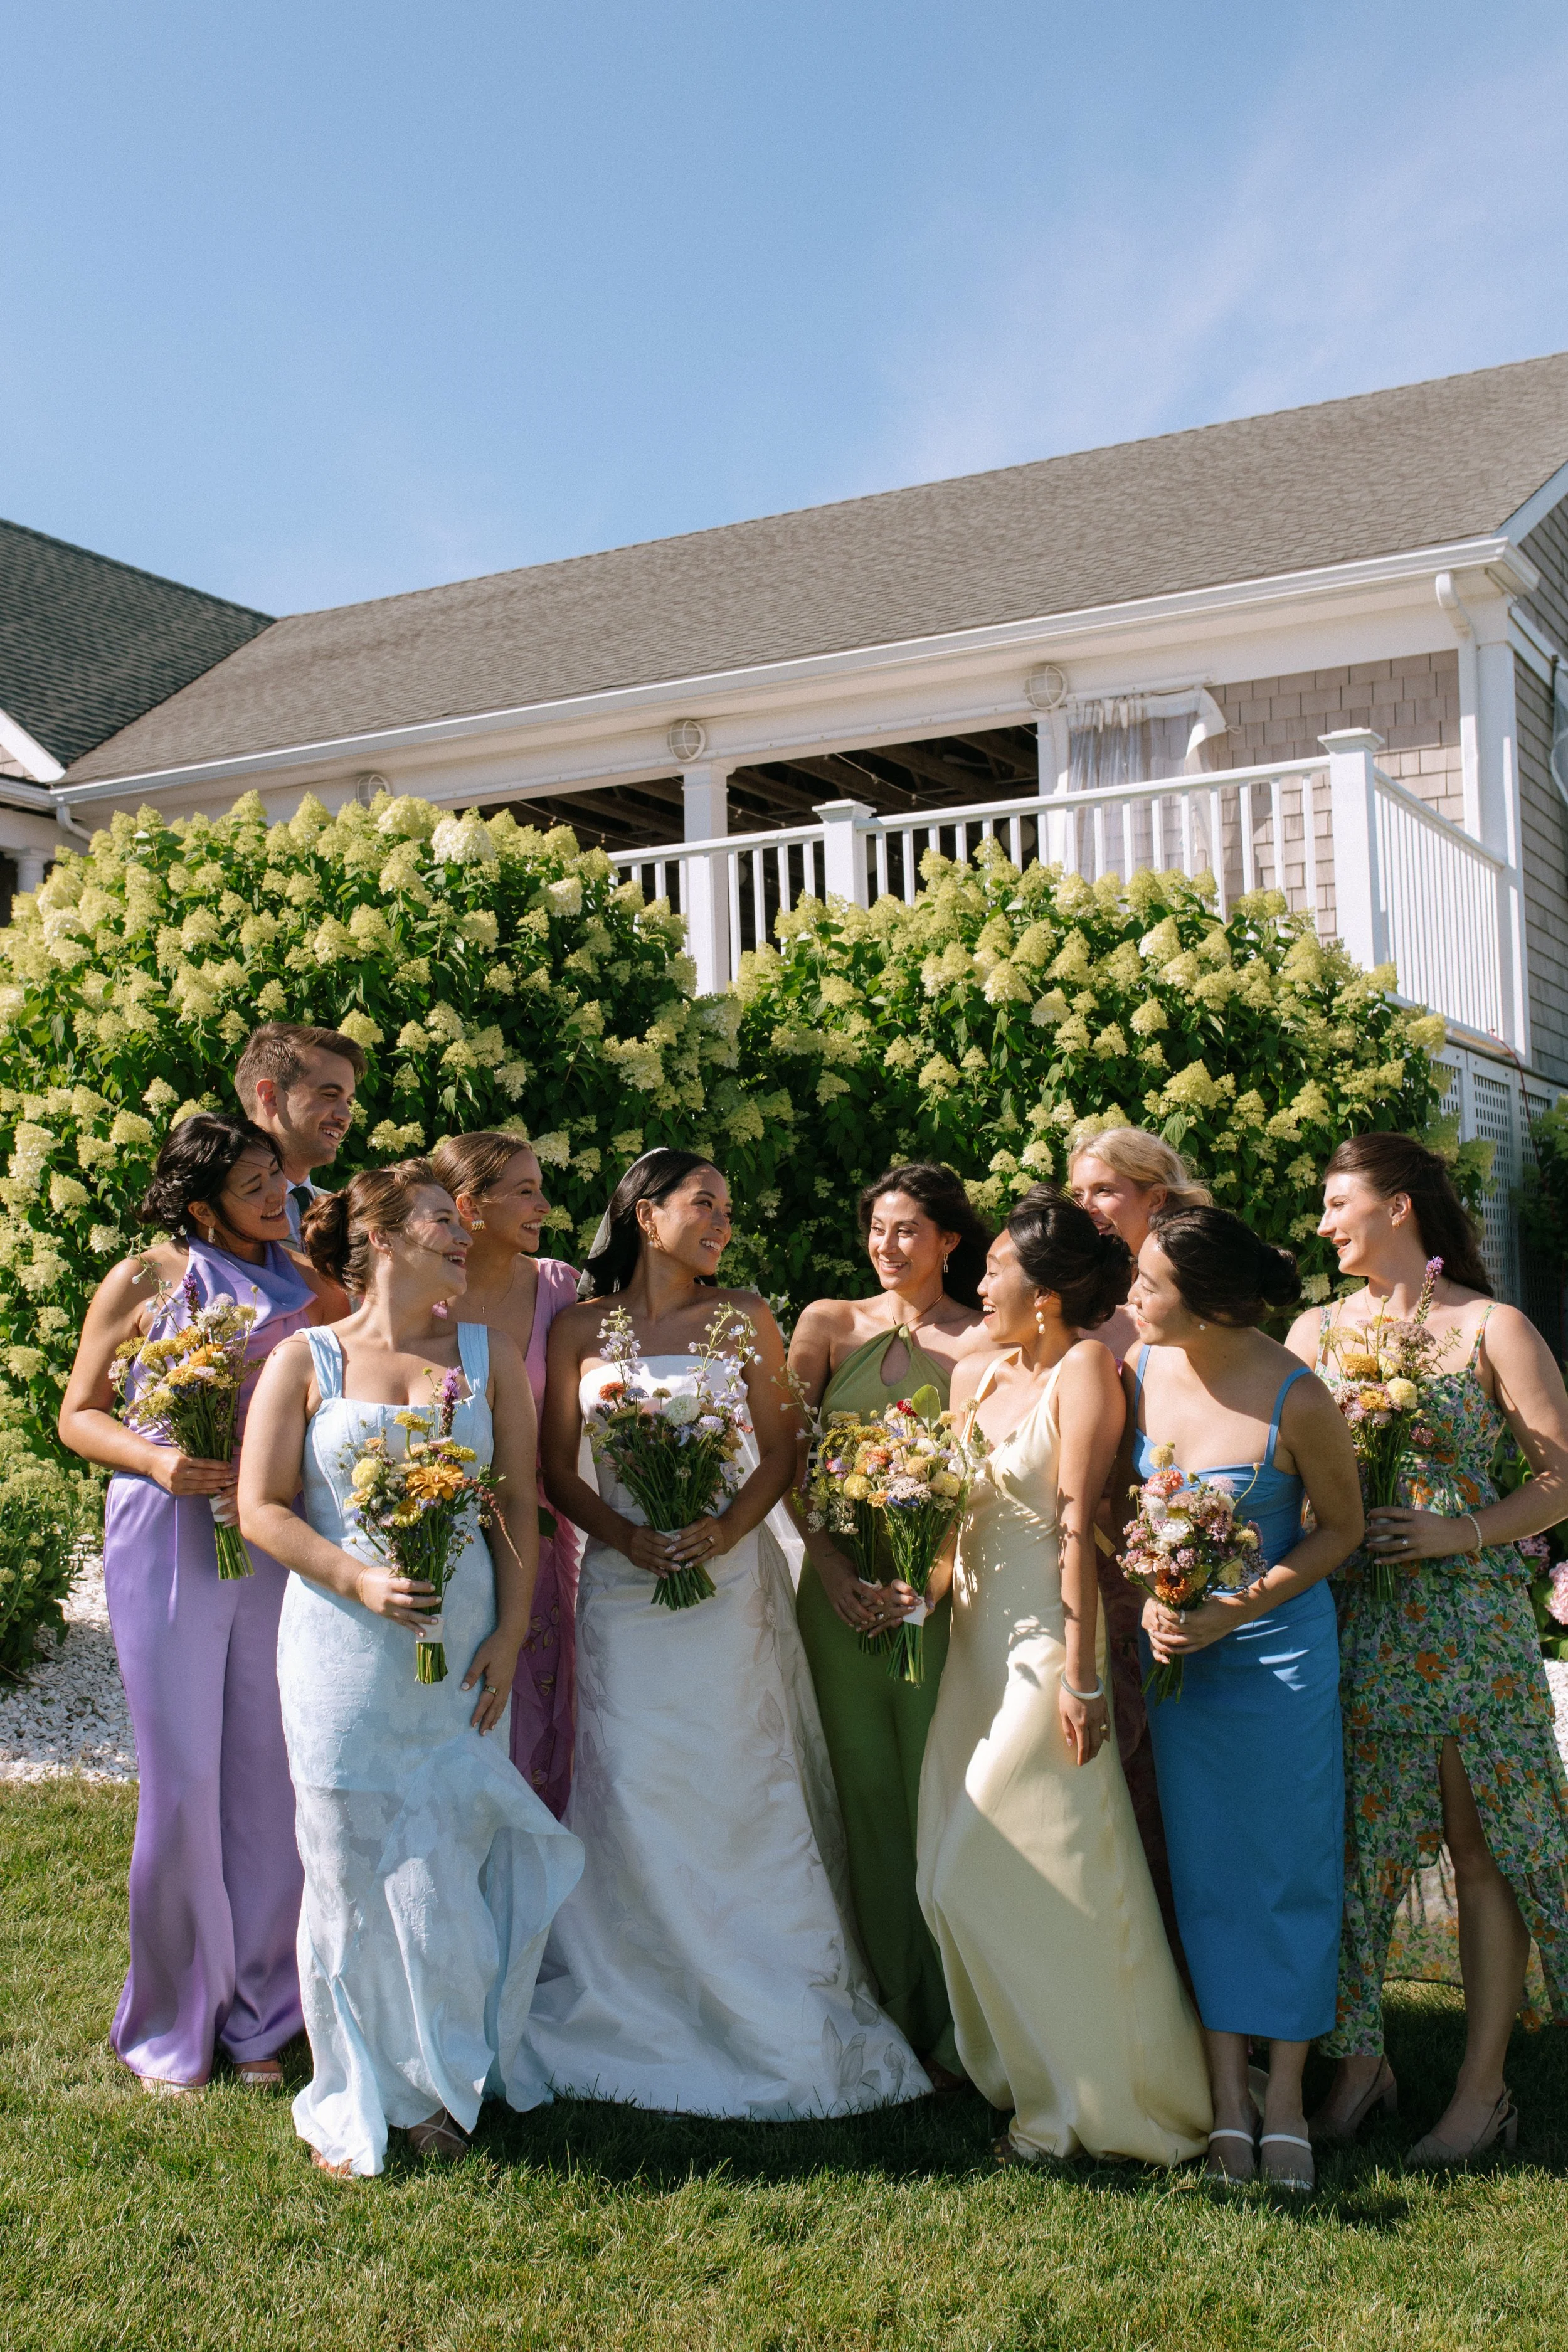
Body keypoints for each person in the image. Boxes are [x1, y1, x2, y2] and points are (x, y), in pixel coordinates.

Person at [519, 1149, 929, 2117]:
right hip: (624, 1587)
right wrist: (623, 1532)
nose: (722, 1223)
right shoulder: (581, 1325)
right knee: (629, 1774)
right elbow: (556, 1463)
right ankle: (634, 1986)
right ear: (645, 1213)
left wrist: (721, 1532)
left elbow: (786, 1447)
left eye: (727, 1209)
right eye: (705, 1204)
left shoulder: (743, 1315)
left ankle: (765, 1994)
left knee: (735, 1772)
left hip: (728, 1578)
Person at [238, 1164, 583, 2177]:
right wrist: (357, 1576)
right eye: (440, 1217)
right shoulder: (307, 1361)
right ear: (382, 1238)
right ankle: (356, 2088)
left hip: (460, 1656)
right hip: (341, 1654)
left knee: (446, 1866)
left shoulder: (483, 1362)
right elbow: (263, 1507)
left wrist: (513, 1634)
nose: (458, 1231)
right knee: (344, 1870)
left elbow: (518, 1508)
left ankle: (440, 2082)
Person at [1286, 1133, 1568, 2166]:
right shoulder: (1315, 1329)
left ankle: (1482, 2091)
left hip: (1469, 1626)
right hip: (1358, 1621)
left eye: (1336, 1202)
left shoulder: (1495, 1326)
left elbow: (1559, 1478)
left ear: (1399, 1209)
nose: (1322, 1224)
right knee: (1357, 1852)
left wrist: (1462, 1531)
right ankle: (1363, 2065)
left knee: (1481, 1847)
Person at [917, 1190, 1211, 2167]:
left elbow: (1084, 1526)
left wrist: (1084, 1676)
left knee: (993, 1868)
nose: (980, 1283)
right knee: (946, 1876)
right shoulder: (972, 1374)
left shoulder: (1090, 1370)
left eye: (994, 1267)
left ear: (1042, 1291)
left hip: (1048, 1645)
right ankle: (1034, 2075)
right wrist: (908, 1578)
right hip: (969, 1647)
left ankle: (1092, 2106)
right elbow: (953, 1519)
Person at [58, 1113, 336, 2092]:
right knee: (180, 1786)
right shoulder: (146, 1277)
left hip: (267, 1533)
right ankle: (175, 2018)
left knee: (270, 1774)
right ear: (196, 1197)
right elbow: (79, 1411)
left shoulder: (310, 1279)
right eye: (255, 1180)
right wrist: (160, 1457)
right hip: (163, 1533)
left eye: (277, 1175)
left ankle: (264, 2020)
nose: (277, 1193)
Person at [1119, 1207, 1364, 2191]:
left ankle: (1292, 2098)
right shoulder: (1140, 1373)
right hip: (1185, 1662)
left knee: (1291, 1865)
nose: (1130, 1296)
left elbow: (1338, 1530)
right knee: (1211, 1867)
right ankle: (1230, 2101)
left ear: (1210, 1303)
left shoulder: (1298, 1396)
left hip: (1279, 1659)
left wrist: (1238, 1608)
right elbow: (1120, 1517)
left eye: (1148, 1284)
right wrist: (1154, 1602)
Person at [785, 1163, 990, 2083]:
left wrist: (935, 1579)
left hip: (939, 1602)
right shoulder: (827, 1324)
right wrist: (828, 1566)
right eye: (876, 1227)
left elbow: (990, 1475)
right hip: (838, 1600)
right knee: (866, 1796)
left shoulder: (988, 1339)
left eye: (908, 1228)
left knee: (940, 1797)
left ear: (950, 1238)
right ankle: (890, 2011)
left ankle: (965, 2021)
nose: (887, 1245)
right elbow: (788, 1460)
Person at [1067, 1125, 1212, 1942]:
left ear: (1156, 1197)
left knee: (1167, 1777)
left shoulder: (1182, 1304)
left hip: (1167, 1568)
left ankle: (1194, 1983)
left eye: (1105, 1191)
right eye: (1079, 1191)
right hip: (1088, 1570)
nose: (1087, 1206)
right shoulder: (1086, 1299)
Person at [432, 1132, 582, 1816]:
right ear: (469, 1206)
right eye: (524, 1191)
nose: (543, 1204)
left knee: (540, 1703)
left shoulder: (559, 1289)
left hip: (539, 1530)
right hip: (433, 1526)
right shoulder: (424, 1296)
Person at [234, 1022, 365, 1240]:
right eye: (330, 1095)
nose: (346, 1117)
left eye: (349, 1102)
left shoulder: (346, 1219)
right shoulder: (222, 1217)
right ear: (271, 1097)